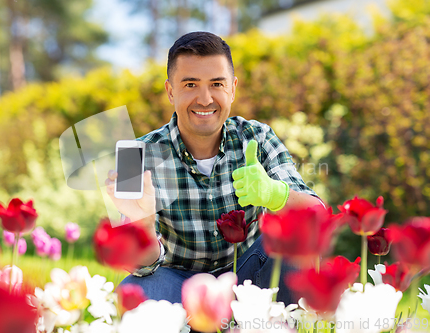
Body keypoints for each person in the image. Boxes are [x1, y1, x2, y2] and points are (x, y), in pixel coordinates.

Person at [105, 31, 324, 309]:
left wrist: (275, 195)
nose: (205, 99)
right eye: (190, 84)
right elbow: (136, 265)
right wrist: (143, 226)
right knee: (134, 292)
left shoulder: (257, 137)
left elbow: (318, 217)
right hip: (177, 286)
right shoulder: (136, 156)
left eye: (216, 84)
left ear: (232, 88)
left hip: (248, 280)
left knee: (296, 247)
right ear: (171, 91)